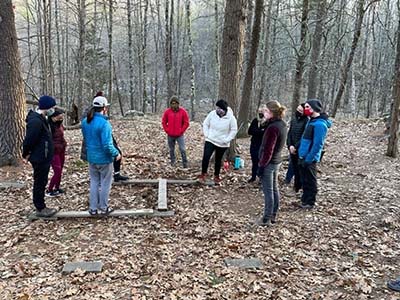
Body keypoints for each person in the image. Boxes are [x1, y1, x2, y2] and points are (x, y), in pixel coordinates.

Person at [81, 95, 121, 215]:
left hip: (91, 157)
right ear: (104, 108)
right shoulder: (104, 124)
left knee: (94, 182)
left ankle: (93, 208)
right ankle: (103, 207)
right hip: (103, 158)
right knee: (105, 183)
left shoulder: (85, 122)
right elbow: (107, 145)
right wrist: (116, 153)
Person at [81, 91, 129, 182]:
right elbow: (87, 125)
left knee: (117, 152)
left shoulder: (102, 119)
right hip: (95, 140)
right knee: (102, 173)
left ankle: (116, 174)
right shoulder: (92, 114)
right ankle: (103, 179)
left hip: (101, 135)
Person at [22, 95, 58, 217]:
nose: (53, 109)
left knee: (41, 181)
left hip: (44, 156)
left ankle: (41, 206)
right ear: (47, 107)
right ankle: (40, 208)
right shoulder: (36, 121)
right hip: (39, 157)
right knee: (40, 182)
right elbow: (29, 140)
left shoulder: (43, 119)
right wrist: (25, 154)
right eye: (52, 107)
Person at [256, 100, 287, 226]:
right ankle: (273, 215)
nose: (264, 112)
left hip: (270, 162)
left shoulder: (274, 128)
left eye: (266, 111)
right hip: (276, 161)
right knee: (274, 189)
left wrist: (262, 166)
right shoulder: (280, 124)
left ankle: (266, 218)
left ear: (272, 112)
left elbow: (269, 149)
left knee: (269, 191)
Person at [298, 99, 332, 209]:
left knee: (310, 180)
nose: (305, 109)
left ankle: (310, 202)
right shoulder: (311, 121)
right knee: (304, 179)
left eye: (308, 107)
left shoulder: (320, 125)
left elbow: (318, 144)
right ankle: (304, 199)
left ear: (314, 109)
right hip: (303, 155)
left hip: (310, 158)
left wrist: (309, 158)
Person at [199, 99, 238, 184]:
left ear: (225, 110)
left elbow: (234, 130)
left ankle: (216, 176)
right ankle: (203, 174)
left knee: (218, 160)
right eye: (218, 108)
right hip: (210, 139)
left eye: (221, 109)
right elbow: (205, 123)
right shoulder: (212, 114)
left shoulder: (231, 118)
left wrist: (227, 139)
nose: (219, 111)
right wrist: (207, 134)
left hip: (222, 143)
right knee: (206, 157)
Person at [161, 95, 190, 167]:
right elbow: (164, 122)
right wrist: (167, 130)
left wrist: (181, 130)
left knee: (182, 149)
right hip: (170, 135)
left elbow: (186, 123)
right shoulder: (167, 112)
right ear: (170, 104)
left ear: (178, 104)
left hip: (179, 135)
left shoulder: (183, 112)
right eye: (172, 103)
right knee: (171, 149)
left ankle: (185, 163)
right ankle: (172, 162)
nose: (174, 105)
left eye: (175, 103)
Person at [286, 103, 308, 192]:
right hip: (292, 148)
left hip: (300, 149)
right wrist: (289, 145)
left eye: (300, 111)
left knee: (300, 170)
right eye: (297, 110)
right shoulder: (294, 120)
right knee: (294, 168)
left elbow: (304, 136)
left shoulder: (306, 121)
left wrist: (295, 147)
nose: (298, 112)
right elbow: (289, 133)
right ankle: (295, 187)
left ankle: (299, 187)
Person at [46, 109, 67, 197]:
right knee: (57, 171)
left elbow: (61, 136)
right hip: (53, 151)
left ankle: (57, 187)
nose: (61, 117)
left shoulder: (60, 124)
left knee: (60, 170)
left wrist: (64, 144)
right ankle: (49, 190)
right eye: (59, 115)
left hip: (61, 149)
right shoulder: (49, 126)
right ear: (54, 116)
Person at [247, 105, 267, 182]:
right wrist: (260, 131)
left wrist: (258, 131)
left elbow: (265, 133)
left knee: (261, 161)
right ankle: (253, 176)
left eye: (262, 112)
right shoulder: (255, 120)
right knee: (254, 161)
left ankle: (261, 177)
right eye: (259, 112)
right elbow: (250, 131)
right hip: (254, 144)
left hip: (262, 145)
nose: (260, 113)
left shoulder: (267, 122)